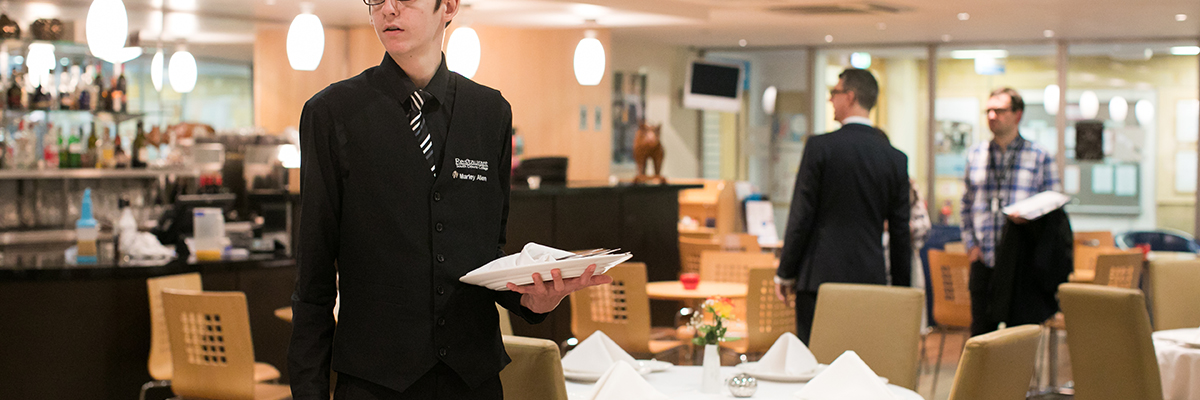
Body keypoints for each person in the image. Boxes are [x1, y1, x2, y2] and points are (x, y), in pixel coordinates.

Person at [288, 0, 611, 399]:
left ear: (450, 6)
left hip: (472, 379)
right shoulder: (332, 112)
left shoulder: (490, 112)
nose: (388, 9)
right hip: (375, 381)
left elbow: (485, 254)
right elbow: (314, 278)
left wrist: (534, 301)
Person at [774, 68, 912, 344]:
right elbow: (900, 232)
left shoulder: (820, 147)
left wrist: (785, 271)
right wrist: (901, 291)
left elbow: (802, 214)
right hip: (870, 279)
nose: (830, 101)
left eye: (834, 93)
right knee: (861, 362)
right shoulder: (895, 158)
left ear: (849, 97)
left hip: (820, 278)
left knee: (815, 363)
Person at [960, 87, 1060, 336]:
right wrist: (971, 246)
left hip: (1020, 264)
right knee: (981, 338)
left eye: (1000, 110)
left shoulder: (1039, 156)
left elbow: (1053, 208)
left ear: (1017, 115)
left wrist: (1030, 220)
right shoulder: (976, 155)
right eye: (989, 111)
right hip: (984, 261)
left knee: (1019, 339)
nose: (992, 116)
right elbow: (966, 205)